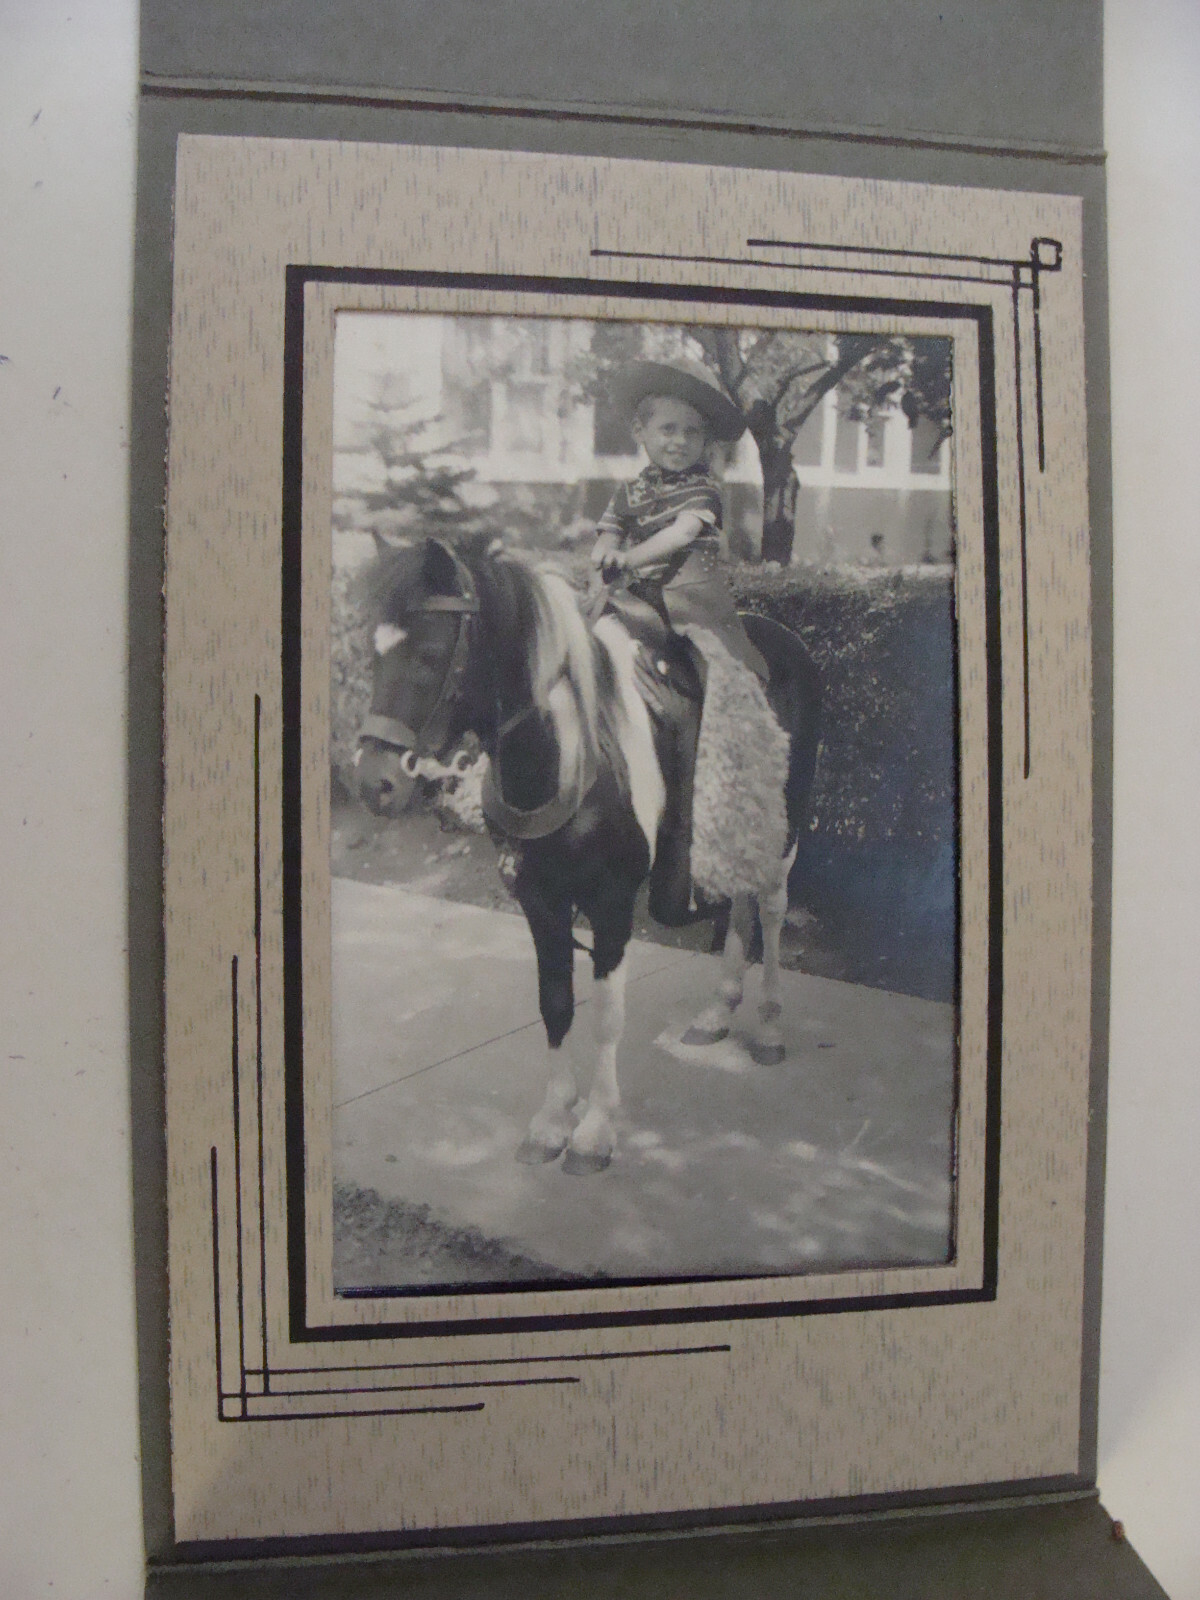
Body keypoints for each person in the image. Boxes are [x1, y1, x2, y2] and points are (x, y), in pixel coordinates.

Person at [590, 358, 769, 682]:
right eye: (668, 429)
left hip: (693, 599)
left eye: (691, 432)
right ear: (640, 431)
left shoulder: (702, 490)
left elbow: (681, 533)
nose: (679, 442)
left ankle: (729, 719)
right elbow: (611, 530)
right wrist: (604, 552)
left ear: (704, 441)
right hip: (641, 591)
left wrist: (628, 558)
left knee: (714, 669)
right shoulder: (630, 491)